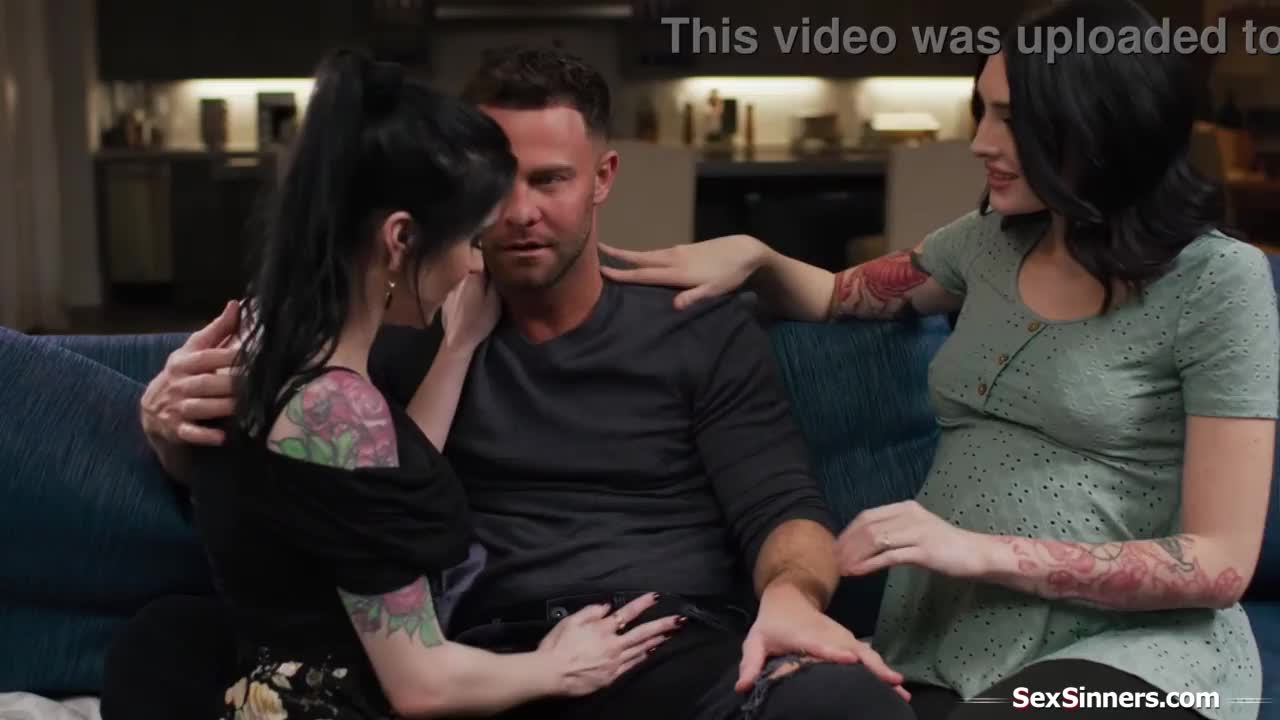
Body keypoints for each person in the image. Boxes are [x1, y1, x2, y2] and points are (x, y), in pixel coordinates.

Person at [129, 48, 916, 720]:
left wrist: (790, 597)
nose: (517, 214)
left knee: (847, 702)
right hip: (481, 657)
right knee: (165, 639)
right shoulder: (397, 325)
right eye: (495, 186)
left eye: (550, 181)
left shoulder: (697, 325)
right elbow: (292, 495)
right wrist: (169, 432)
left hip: (662, 643)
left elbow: (782, 507)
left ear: (602, 178)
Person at [598, 2, 1278, 719]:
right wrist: (757, 257)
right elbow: (841, 296)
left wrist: (976, 550)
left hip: (1138, 654)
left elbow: (1220, 564)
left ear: (1103, 120)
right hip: (947, 642)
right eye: (981, 112)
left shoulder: (1216, 280)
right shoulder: (986, 243)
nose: (980, 142)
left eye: (1011, 118)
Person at [107, 48, 683, 720]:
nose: (473, 264)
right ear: (400, 240)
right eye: (467, 239)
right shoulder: (335, 404)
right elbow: (422, 685)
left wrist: (458, 346)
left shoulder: (270, 341)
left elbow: (365, 494)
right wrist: (558, 666)